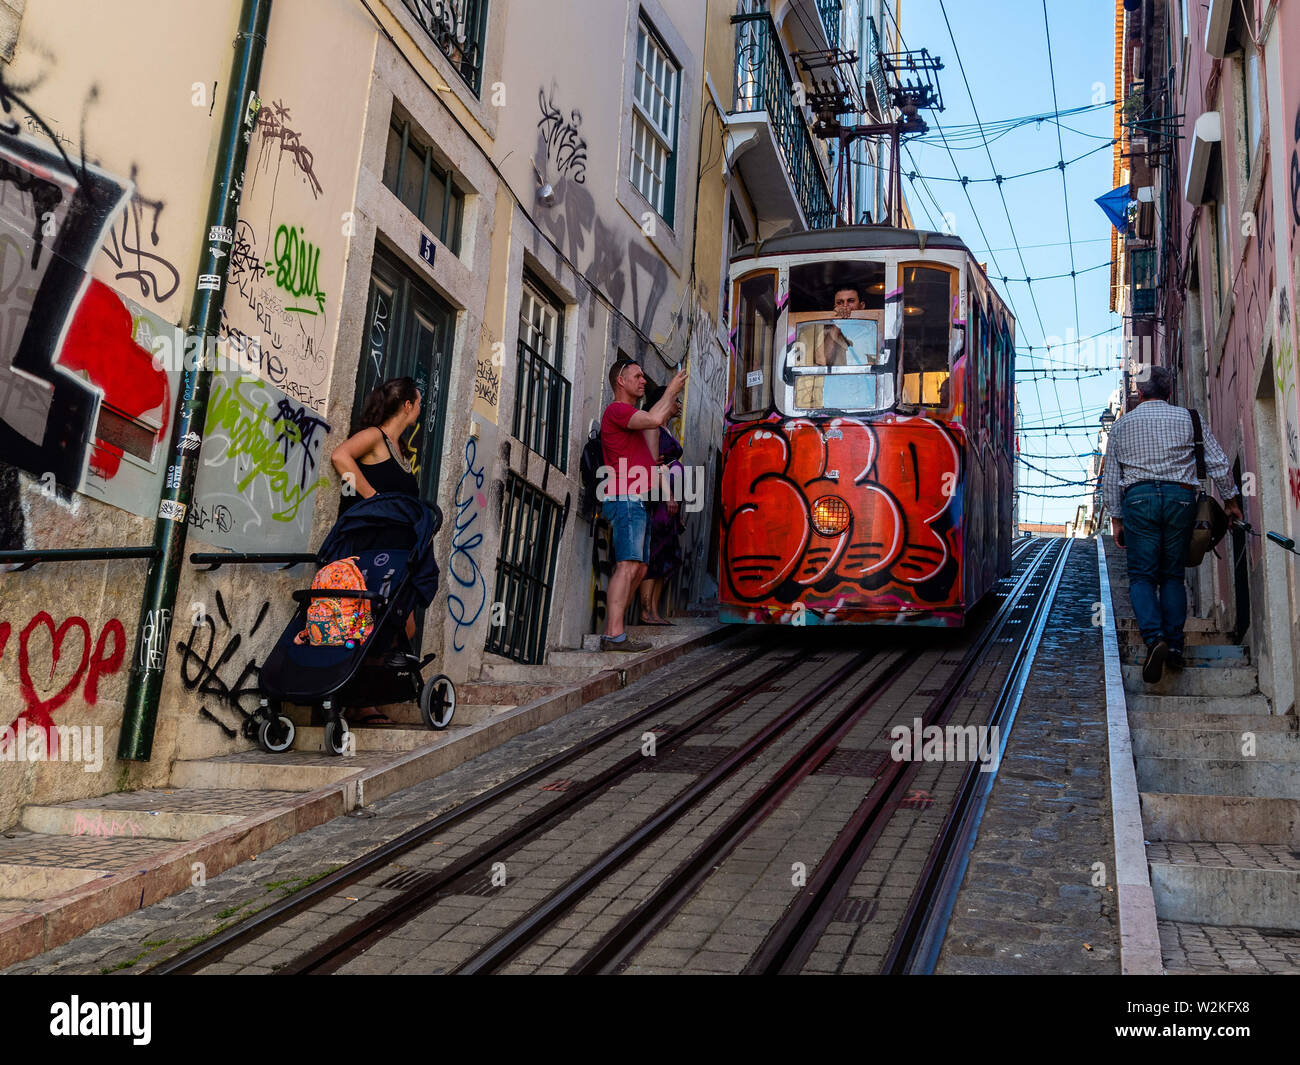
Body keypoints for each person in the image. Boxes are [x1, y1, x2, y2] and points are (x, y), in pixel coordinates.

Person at [1101, 366, 1243, 683]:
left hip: (1138, 500)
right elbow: (1218, 460)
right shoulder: (1189, 419)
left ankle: (1155, 640)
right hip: (1181, 499)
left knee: (1141, 576)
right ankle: (1176, 647)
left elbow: (1110, 479)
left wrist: (1116, 519)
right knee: (1172, 576)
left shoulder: (1122, 426)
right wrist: (1231, 500)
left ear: (1139, 393)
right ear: (1169, 391)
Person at [327, 377, 422, 724]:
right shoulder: (376, 437)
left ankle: (360, 696)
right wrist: (371, 497)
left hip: (396, 552)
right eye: (418, 402)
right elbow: (340, 457)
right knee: (372, 620)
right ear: (407, 405)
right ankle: (358, 702)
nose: (420, 408)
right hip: (369, 549)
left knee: (402, 624)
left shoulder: (403, 450)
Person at [599, 357, 688, 652]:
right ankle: (613, 635)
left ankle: (617, 629)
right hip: (625, 497)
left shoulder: (632, 415)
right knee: (627, 566)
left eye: (643, 377)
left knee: (639, 568)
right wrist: (672, 390)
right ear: (620, 381)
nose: (642, 381)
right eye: (637, 376)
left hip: (638, 499)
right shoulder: (617, 410)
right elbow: (654, 419)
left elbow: (653, 425)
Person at [638, 384, 685, 625]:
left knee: (667, 556)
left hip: (671, 503)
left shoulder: (666, 429)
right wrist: (668, 496)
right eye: (675, 400)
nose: (678, 404)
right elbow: (655, 466)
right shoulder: (653, 428)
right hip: (659, 500)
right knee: (655, 554)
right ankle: (646, 611)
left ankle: (655, 611)